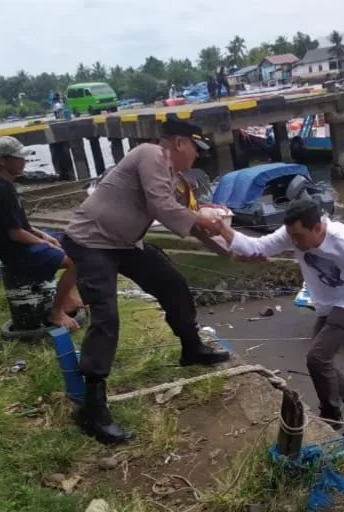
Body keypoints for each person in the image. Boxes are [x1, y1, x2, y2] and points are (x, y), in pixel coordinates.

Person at [62, 118, 232, 445]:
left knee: (172, 283)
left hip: (124, 243)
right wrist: (203, 220)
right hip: (92, 242)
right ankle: (92, 409)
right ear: (180, 143)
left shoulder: (171, 175)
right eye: (196, 148)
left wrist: (229, 249)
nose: (197, 156)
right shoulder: (152, 153)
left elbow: (182, 216)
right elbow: (163, 207)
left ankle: (192, 347)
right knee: (106, 317)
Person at [210, 199, 344, 436]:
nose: (294, 242)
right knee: (322, 362)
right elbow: (257, 247)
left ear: (318, 227)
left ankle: (331, 417)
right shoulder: (291, 234)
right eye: (291, 236)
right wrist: (223, 230)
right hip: (327, 304)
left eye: (299, 236)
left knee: (317, 358)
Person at [0, 136, 82, 329]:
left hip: (21, 242)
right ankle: (56, 312)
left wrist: (44, 235)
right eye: (18, 158)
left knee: (75, 242)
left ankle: (67, 297)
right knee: (76, 261)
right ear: (2, 160)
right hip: (15, 252)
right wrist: (45, 244)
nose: (24, 162)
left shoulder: (6, 185)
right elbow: (15, 234)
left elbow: (21, 224)